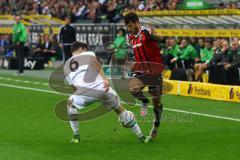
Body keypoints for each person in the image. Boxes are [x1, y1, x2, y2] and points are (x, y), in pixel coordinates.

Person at [64, 41, 150, 144]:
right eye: (85, 49)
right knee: (120, 110)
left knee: (70, 103)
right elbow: (97, 65)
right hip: (103, 88)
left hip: (84, 93)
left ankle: (76, 136)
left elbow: (73, 87)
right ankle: (142, 137)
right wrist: (105, 79)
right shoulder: (89, 54)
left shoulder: (66, 66)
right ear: (81, 49)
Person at [124, 12, 164, 140]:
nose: (128, 29)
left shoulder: (146, 32)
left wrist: (155, 35)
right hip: (141, 70)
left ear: (137, 22)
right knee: (132, 88)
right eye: (127, 27)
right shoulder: (131, 37)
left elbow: (160, 38)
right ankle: (144, 101)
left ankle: (156, 125)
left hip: (154, 71)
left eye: (130, 26)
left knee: (157, 103)